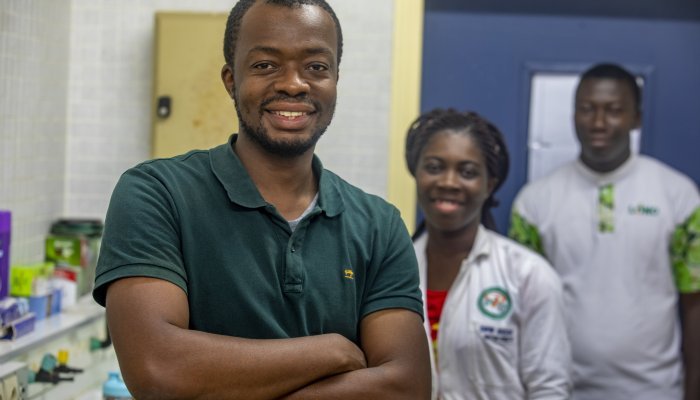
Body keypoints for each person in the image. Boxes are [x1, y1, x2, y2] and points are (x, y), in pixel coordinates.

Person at [91, 1, 431, 399]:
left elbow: (405, 387)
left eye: (316, 67)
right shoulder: (156, 194)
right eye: (266, 65)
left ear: (336, 79)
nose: (293, 84)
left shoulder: (378, 225)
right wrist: (334, 351)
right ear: (231, 80)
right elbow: (158, 370)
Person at [510, 63, 700, 400]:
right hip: (559, 389)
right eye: (587, 109)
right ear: (573, 114)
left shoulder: (680, 197)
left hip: (655, 390)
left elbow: (694, 303)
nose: (598, 122)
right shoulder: (535, 203)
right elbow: (521, 309)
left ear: (636, 118)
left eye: (614, 110)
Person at [405, 108, 572, 399]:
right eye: (434, 167)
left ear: (489, 185)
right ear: (417, 174)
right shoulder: (389, 269)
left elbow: (550, 389)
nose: (448, 182)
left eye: (467, 172)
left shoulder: (528, 274)